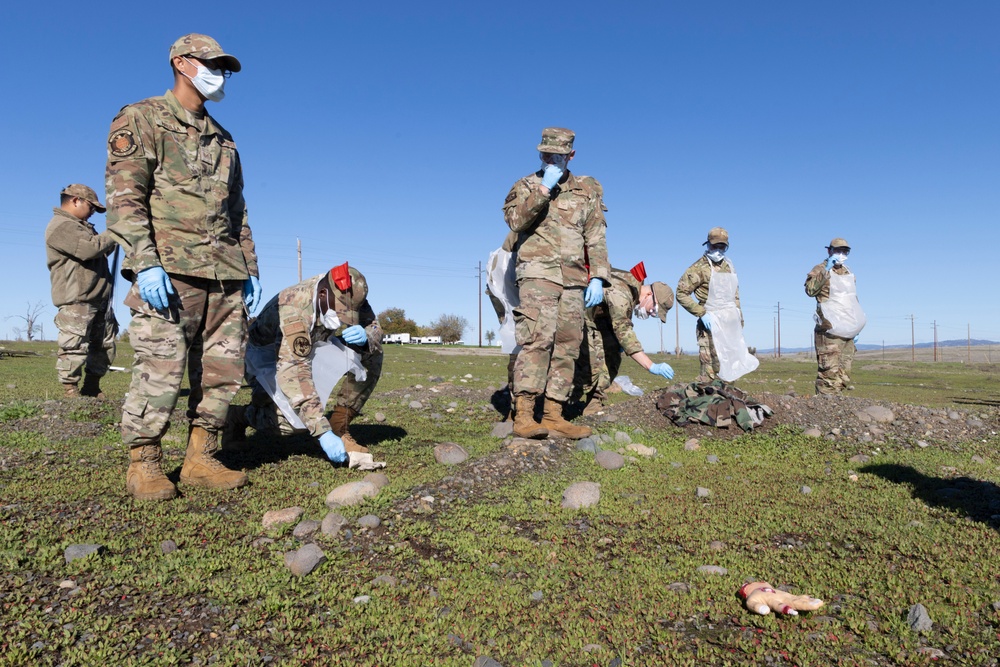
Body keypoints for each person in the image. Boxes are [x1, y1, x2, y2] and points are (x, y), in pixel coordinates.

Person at [105, 34, 262, 500]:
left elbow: (239, 211)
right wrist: (144, 263)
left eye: (224, 67)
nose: (219, 73)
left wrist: (249, 267)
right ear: (181, 63)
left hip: (225, 273)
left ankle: (200, 458)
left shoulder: (225, 139)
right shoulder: (141, 117)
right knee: (160, 369)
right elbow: (125, 198)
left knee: (222, 371)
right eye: (211, 63)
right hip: (169, 270)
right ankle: (145, 464)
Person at [503, 127, 610, 440]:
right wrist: (543, 190)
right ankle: (523, 414)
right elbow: (515, 222)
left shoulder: (586, 191)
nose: (550, 158)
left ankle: (553, 414)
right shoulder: (526, 185)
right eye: (545, 153)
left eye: (557, 155)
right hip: (538, 274)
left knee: (568, 345)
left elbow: (596, 235)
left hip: (576, 279)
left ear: (571, 155)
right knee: (537, 339)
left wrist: (599, 276)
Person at [227, 264, 383, 468]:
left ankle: (339, 427)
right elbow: (293, 370)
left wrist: (369, 335)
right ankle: (239, 416)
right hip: (265, 357)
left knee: (372, 352)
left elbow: (374, 325)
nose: (344, 319)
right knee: (293, 422)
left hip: (314, 347)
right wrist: (321, 431)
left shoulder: (350, 293)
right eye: (340, 312)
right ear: (323, 293)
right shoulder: (295, 306)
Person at [44, 184, 118, 398]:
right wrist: (115, 232)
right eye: (91, 206)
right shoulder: (62, 225)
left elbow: (101, 247)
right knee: (74, 345)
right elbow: (89, 249)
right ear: (75, 200)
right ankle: (70, 390)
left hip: (100, 297)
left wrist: (113, 238)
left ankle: (92, 387)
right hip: (77, 298)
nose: (93, 211)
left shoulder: (83, 226)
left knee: (103, 344)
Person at [575, 262, 676, 415]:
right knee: (589, 361)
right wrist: (651, 366)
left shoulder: (632, 288)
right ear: (649, 295)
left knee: (613, 351)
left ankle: (593, 402)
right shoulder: (623, 294)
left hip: (594, 320)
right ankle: (562, 401)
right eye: (654, 311)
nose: (651, 315)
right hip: (575, 317)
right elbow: (624, 331)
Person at [676, 227, 758, 382]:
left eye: (722, 247)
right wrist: (701, 313)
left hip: (729, 325)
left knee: (730, 369)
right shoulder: (698, 268)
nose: (719, 250)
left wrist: (739, 318)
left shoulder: (729, 266)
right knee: (710, 371)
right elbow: (681, 293)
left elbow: (735, 295)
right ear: (708, 245)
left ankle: (727, 403)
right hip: (710, 326)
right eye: (715, 246)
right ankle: (708, 404)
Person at [804, 237, 866, 394]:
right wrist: (825, 272)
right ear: (829, 251)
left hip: (848, 330)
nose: (841, 254)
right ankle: (824, 409)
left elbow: (852, 300)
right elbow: (810, 290)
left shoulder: (848, 272)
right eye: (838, 250)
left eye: (845, 251)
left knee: (844, 374)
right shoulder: (820, 269)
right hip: (829, 329)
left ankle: (836, 407)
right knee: (829, 375)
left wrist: (856, 325)